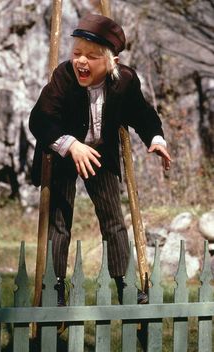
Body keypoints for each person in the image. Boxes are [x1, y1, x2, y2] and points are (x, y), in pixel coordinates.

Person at [29, 14, 171, 306]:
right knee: (59, 220)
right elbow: (39, 120)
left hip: (99, 154)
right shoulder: (63, 77)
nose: (81, 61)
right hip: (61, 150)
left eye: (92, 56)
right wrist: (70, 146)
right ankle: (54, 286)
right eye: (77, 53)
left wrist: (155, 139)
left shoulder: (125, 81)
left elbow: (142, 114)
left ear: (112, 63)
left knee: (113, 220)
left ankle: (125, 285)